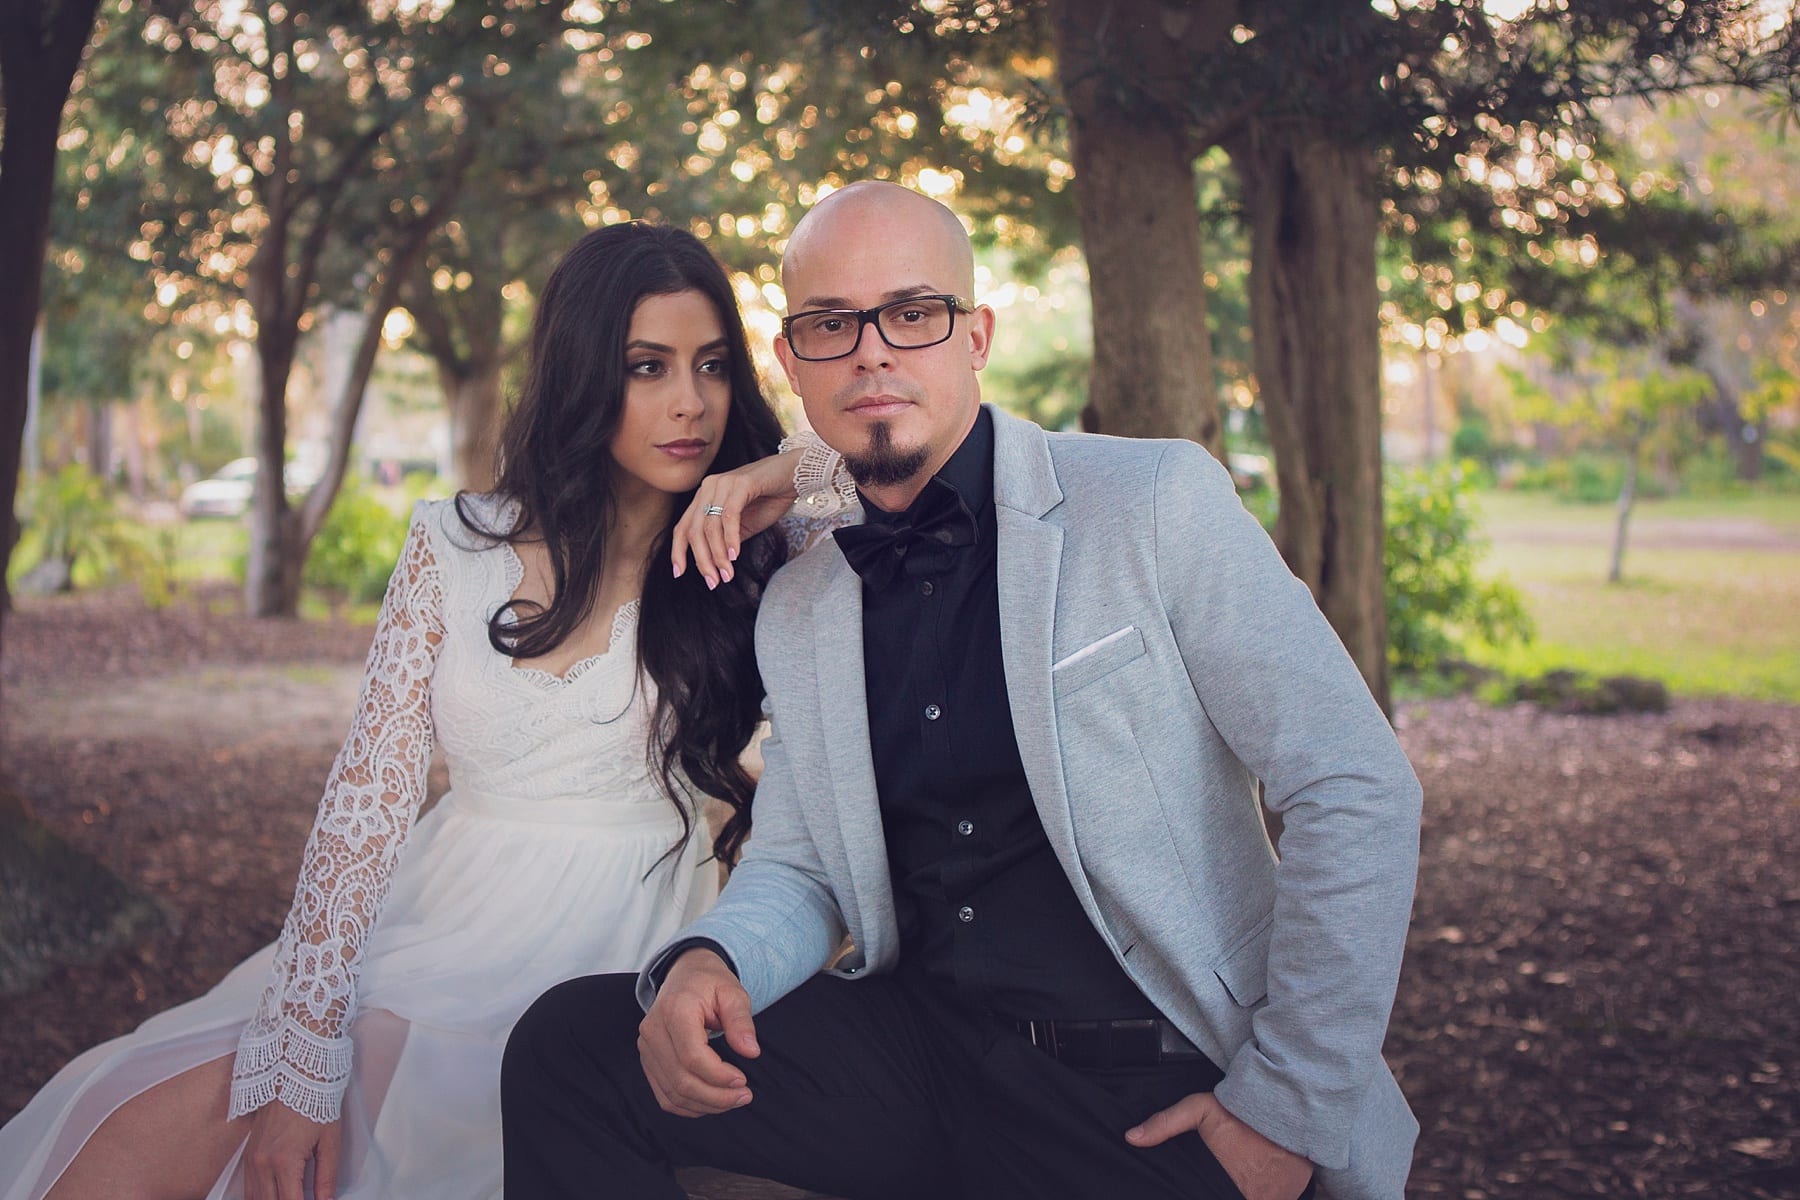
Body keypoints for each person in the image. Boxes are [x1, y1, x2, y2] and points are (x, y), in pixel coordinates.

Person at [501, 181, 1425, 1200]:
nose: (871, 353)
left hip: (1147, 1085)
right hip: (923, 1059)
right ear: (792, 361)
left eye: (911, 313)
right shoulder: (805, 603)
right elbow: (803, 863)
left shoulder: (1152, 502)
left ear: (975, 335)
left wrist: (1281, 1113)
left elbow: (1354, 786)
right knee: (574, 1048)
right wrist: (709, 961)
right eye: (831, 325)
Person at [0, 222, 849, 1200]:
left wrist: (766, 477)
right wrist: (306, 1042)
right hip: (433, 914)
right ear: (580, 377)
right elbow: (365, 804)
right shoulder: (455, 543)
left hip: (621, 934)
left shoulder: (762, 551)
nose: (690, 402)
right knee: (131, 1138)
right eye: (646, 367)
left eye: (710, 366)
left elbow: (909, 458)